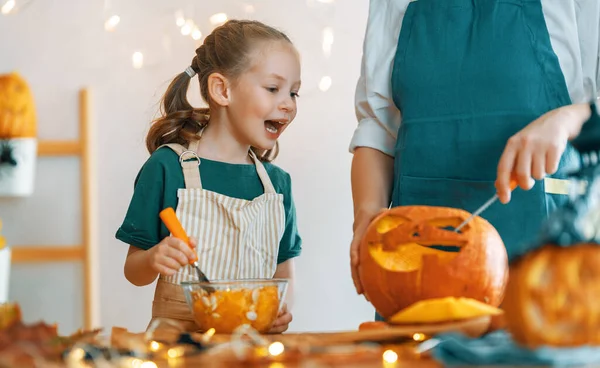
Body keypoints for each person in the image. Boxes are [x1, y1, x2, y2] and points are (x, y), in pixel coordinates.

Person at [349, 0, 600, 319]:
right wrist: (366, 214)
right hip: (417, 268)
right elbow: (378, 127)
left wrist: (571, 118)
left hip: (545, 266)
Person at [115, 19, 303, 333]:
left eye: (294, 93)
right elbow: (134, 272)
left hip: (252, 351)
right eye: (273, 88)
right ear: (222, 89)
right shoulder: (167, 168)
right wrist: (153, 258)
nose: (287, 104)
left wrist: (281, 310)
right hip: (178, 351)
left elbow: (284, 273)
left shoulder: (277, 186)